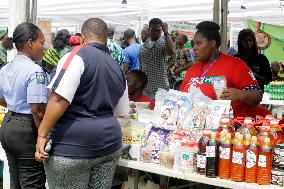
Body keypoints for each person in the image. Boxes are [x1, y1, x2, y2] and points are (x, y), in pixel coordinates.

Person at [35, 18, 129, 189]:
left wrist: (42, 134)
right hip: (109, 145)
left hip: (73, 147)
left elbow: (58, 99)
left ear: (83, 38)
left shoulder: (76, 55)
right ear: (105, 39)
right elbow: (121, 111)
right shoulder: (117, 67)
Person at [179, 21, 263, 117]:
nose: (194, 48)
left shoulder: (235, 64)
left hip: (224, 129)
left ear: (212, 43)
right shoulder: (193, 69)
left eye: (198, 43)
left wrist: (240, 94)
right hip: (192, 126)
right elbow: (181, 97)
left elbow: (257, 96)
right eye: (194, 44)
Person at [0, 22, 47, 189]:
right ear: (30, 43)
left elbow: (1, 99)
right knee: (32, 182)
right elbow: (38, 110)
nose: (44, 47)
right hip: (27, 128)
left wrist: (15, 104)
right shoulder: (34, 71)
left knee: (16, 181)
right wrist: (42, 138)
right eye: (41, 43)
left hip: (8, 124)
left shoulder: (6, 68)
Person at [139, 18, 175, 99]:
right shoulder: (143, 46)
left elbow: (172, 51)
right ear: (149, 30)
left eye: (158, 30)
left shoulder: (164, 44)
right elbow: (141, 66)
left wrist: (166, 33)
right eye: (153, 30)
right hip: (146, 87)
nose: (155, 32)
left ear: (161, 30)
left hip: (160, 88)